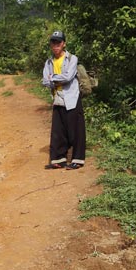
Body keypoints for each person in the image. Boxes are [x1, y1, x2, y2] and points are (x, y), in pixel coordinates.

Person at [42, 30, 86, 170]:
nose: (56, 45)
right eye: (53, 42)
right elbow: (44, 81)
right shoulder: (49, 62)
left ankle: (77, 160)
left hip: (71, 98)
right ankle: (59, 160)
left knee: (76, 130)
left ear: (64, 44)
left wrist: (52, 78)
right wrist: (54, 79)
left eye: (58, 42)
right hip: (58, 98)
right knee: (58, 131)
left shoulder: (72, 58)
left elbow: (68, 77)